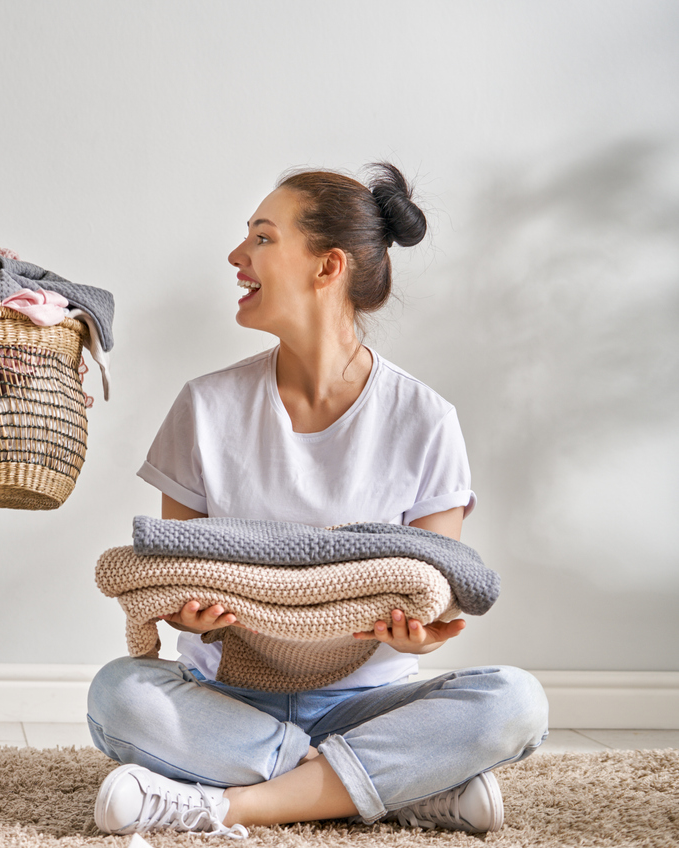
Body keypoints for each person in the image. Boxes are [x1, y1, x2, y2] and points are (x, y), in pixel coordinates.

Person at [86, 164, 549, 837]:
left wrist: (424, 629)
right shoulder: (205, 406)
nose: (236, 256)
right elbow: (174, 576)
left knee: (515, 701)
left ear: (327, 267)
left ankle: (227, 804)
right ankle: (393, 788)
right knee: (116, 694)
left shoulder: (423, 417)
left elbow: (438, 589)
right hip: (229, 699)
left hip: (370, 701)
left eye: (263, 239)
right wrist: (189, 618)